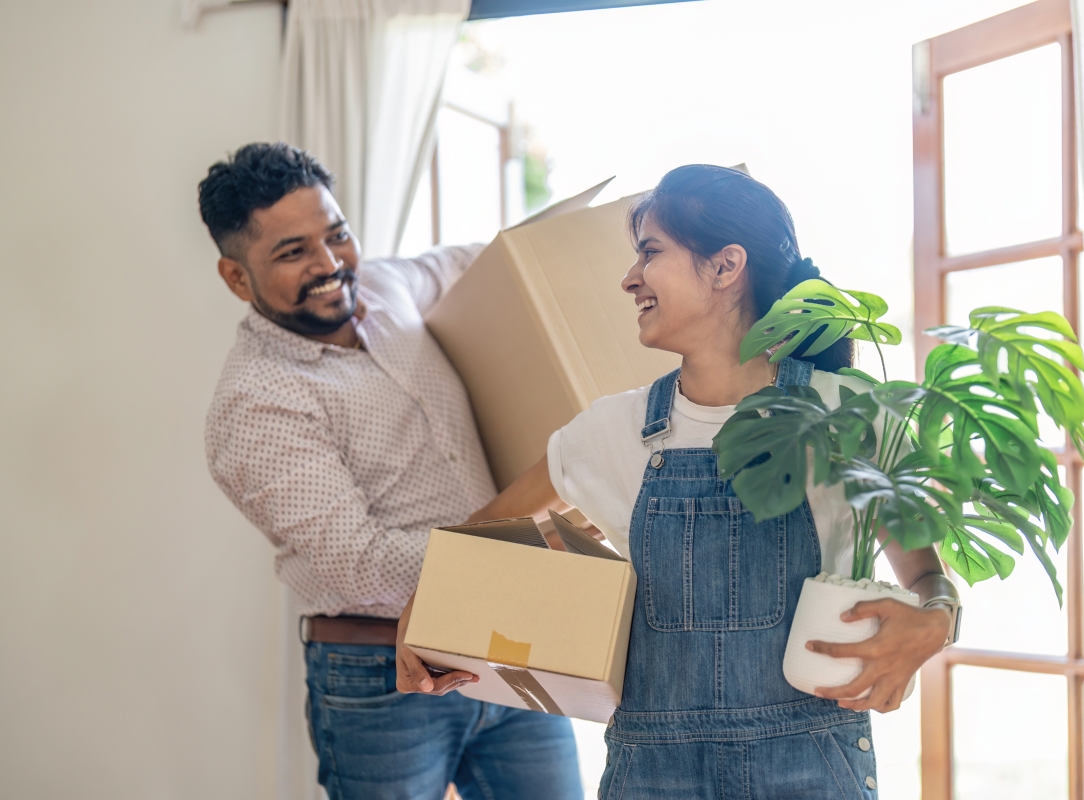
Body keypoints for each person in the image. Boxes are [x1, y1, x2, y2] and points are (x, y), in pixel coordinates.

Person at [395, 164, 962, 798]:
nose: (629, 278)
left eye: (650, 252)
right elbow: (479, 537)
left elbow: (925, 574)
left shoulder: (849, 413)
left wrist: (937, 618)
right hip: (652, 775)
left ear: (725, 267)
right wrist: (423, 610)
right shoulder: (612, 431)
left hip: (810, 768)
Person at [200, 142, 583, 800]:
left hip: (509, 639)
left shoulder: (383, 284)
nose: (330, 265)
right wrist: (528, 550)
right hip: (380, 675)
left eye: (337, 235)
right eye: (293, 253)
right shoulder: (256, 403)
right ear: (237, 278)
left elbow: (497, 261)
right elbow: (362, 563)